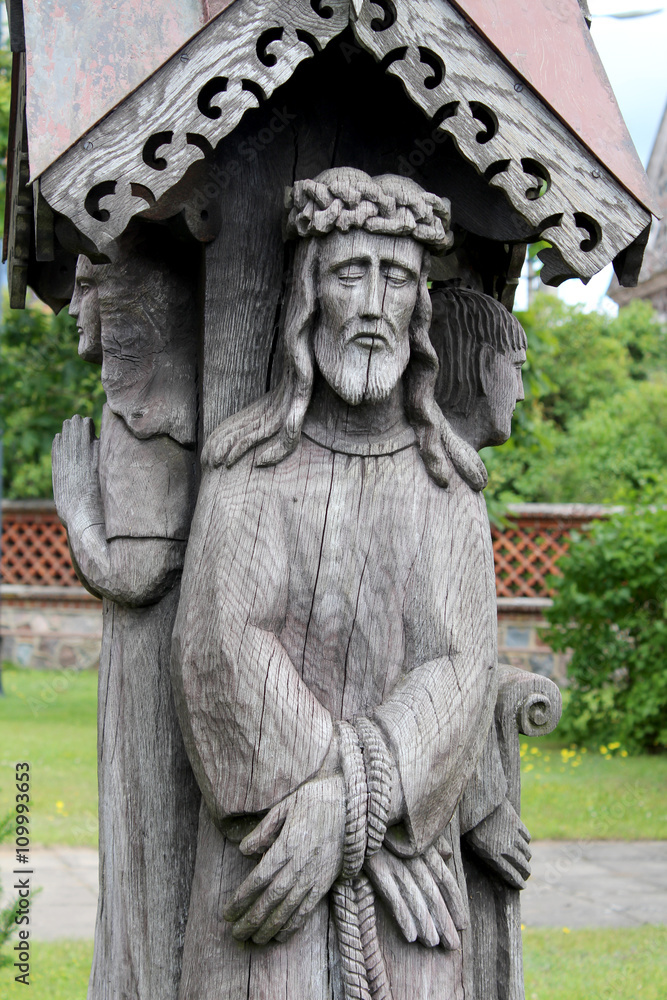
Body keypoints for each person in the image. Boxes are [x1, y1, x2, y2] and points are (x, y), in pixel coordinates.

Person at [171, 168, 502, 1000]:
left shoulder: (447, 485)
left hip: (410, 869)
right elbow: (220, 646)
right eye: (349, 271)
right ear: (307, 296)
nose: (369, 304)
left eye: (395, 278)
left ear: (419, 308)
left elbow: (461, 666)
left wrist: (354, 809)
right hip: (271, 854)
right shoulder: (249, 467)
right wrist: (334, 817)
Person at [52, 230, 200, 1000]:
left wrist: (75, 503)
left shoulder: (152, 416)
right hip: (143, 655)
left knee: (147, 841)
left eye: (89, 286)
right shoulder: (143, 408)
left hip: (153, 665)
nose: (77, 307)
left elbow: (133, 571)